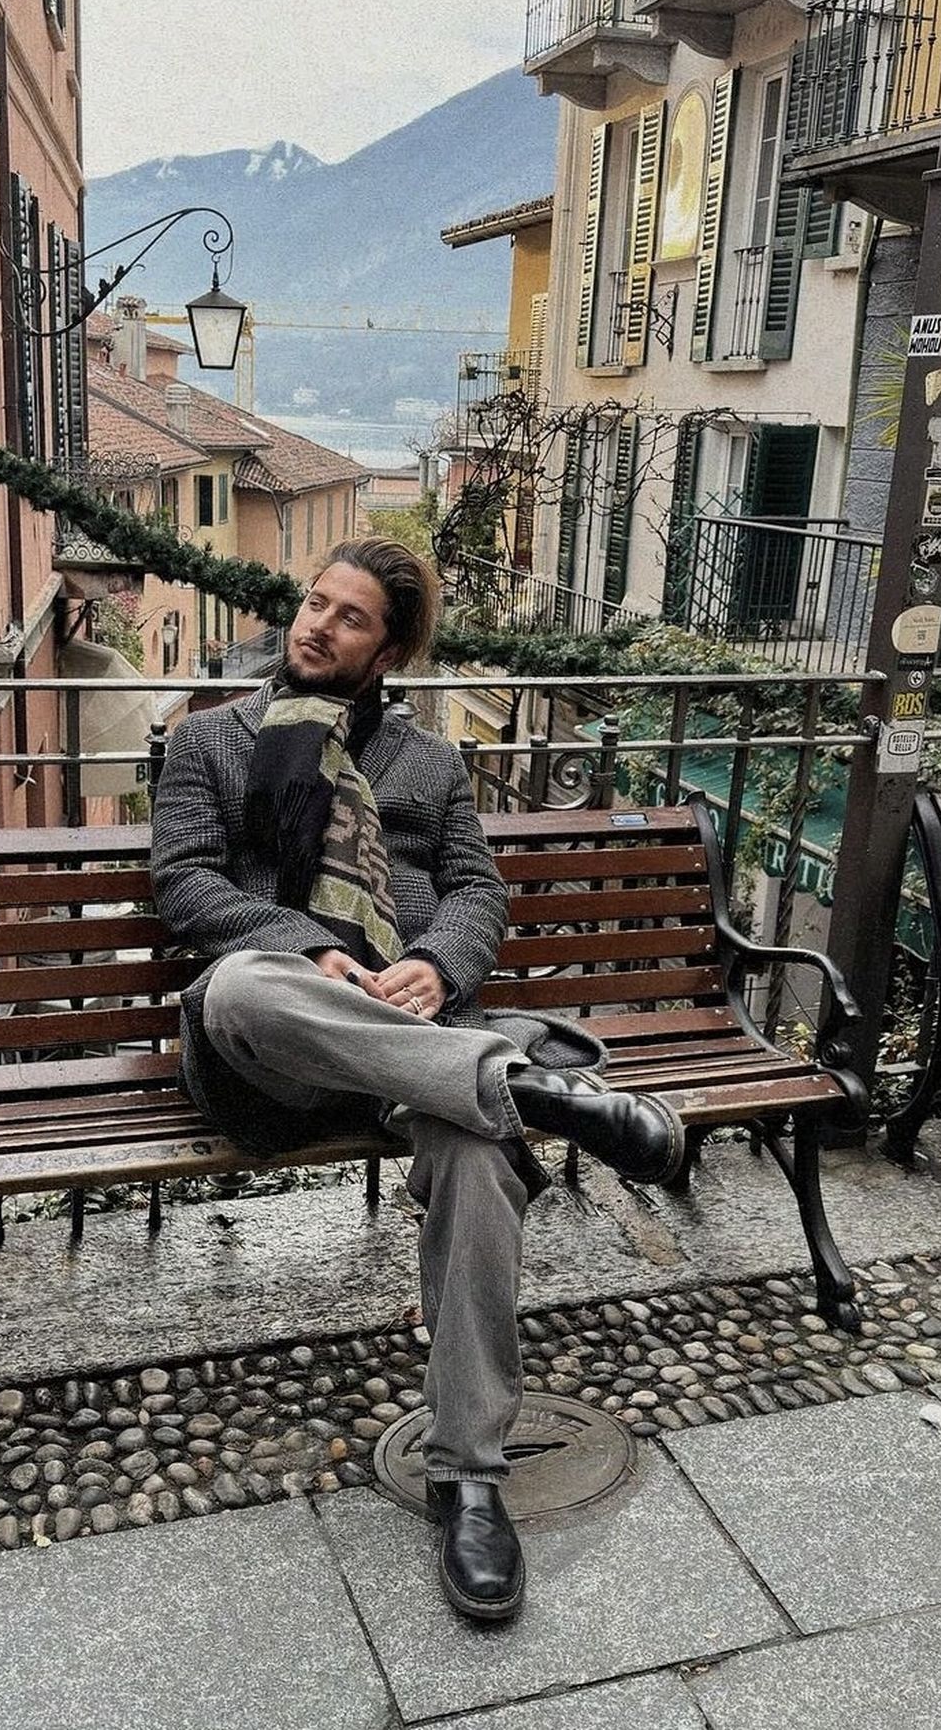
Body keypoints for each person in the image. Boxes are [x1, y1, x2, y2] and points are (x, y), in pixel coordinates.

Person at [150, 537, 683, 1622]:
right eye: (312, 604)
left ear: (386, 646)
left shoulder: (429, 764)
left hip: (411, 1049)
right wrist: (318, 951)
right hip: (276, 1049)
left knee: (480, 1157)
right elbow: (186, 885)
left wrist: (436, 966)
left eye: (347, 618)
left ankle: (470, 1474)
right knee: (247, 983)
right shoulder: (210, 740)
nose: (315, 627)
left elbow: (478, 893)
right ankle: (532, 1088)